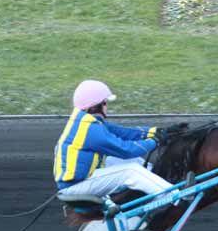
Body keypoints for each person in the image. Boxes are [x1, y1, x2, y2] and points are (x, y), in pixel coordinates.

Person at [54, 79, 187, 199]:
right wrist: (156, 141)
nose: (107, 106)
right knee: (130, 171)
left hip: (81, 178)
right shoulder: (90, 129)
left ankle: (157, 180)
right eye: (105, 103)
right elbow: (126, 150)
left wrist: (158, 131)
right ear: (94, 106)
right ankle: (175, 196)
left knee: (126, 161)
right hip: (76, 187)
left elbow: (122, 132)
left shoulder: (85, 120)